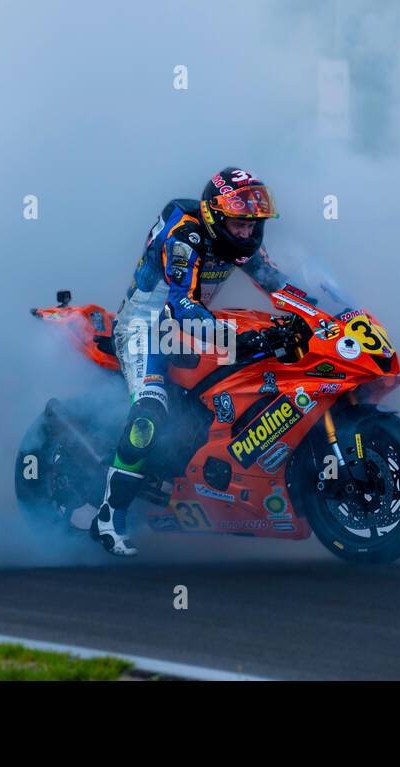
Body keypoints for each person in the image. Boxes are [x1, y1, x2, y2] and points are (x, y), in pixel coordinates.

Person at [92, 167, 290, 556]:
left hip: (186, 330)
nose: (249, 232)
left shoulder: (237, 241)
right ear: (217, 216)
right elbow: (181, 306)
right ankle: (108, 517)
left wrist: (329, 316)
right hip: (147, 327)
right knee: (150, 413)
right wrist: (238, 340)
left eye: (254, 224)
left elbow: (277, 281)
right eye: (241, 223)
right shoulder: (187, 235)